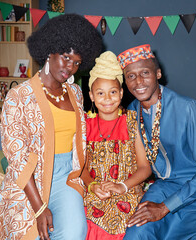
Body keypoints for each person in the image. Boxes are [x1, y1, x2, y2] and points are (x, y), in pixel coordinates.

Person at [0, 14, 102, 240]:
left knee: (74, 233)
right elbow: (18, 158)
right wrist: (40, 208)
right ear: (50, 51)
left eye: (77, 62)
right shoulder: (18, 96)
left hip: (65, 177)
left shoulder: (76, 94)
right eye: (66, 57)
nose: (70, 67)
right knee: (29, 234)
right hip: (29, 180)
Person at [117, 44, 196, 239]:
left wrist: (165, 207)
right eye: (130, 75)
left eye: (145, 72)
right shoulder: (131, 112)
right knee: (136, 233)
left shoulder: (188, 108)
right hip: (166, 186)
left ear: (158, 73)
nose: (138, 81)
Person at [83, 51, 152, 240]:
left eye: (113, 92)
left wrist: (121, 186)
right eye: (100, 93)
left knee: (127, 224)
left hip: (127, 190)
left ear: (121, 93)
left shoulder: (132, 122)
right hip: (96, 193)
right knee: (85, 223)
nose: (107, 98)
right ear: (91, 95)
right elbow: (82, 169)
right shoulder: (85, 126)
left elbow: (145, 168)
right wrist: (92, 186)